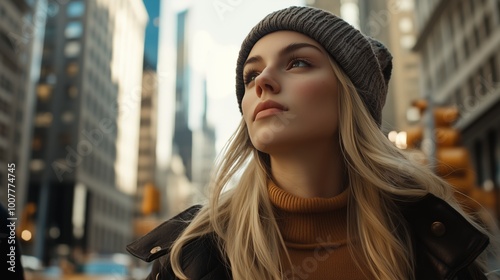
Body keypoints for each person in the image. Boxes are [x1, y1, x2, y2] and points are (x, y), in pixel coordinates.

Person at [127, 6, 496, 280]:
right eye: (252, 73)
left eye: (298, 63)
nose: (262, 82)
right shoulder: (188, 253)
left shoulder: (434, 241)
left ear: (349, 97)